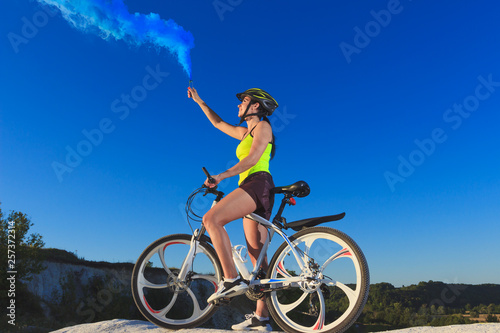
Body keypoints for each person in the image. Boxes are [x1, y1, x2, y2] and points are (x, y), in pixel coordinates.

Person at [188, 86, 278, 331]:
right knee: (256, 255)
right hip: (257, 188)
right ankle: (262, 318)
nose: (238, 106)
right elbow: (218, 123)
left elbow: (251, 159)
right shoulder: (244, 132)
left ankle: (230, 279)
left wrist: (222, 175)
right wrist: (200, 101)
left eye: (243, 102)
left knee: (211, 219)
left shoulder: (263, 127)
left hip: (257, 182)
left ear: (255, 106)